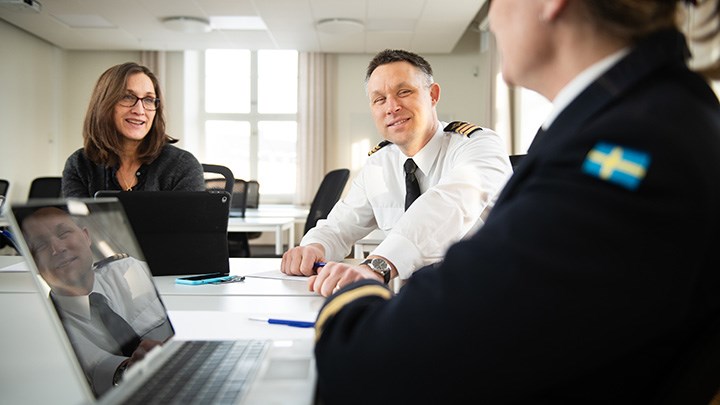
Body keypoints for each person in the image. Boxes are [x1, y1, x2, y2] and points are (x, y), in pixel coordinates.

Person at [312, 1, 720, 403]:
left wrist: (352, 301)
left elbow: (371, 366)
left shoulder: (629, 140)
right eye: (379, 99)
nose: (490, 19)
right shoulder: (630, 115)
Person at [281, 49, 513, 296]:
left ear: (433, 95)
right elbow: (340, 225)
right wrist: (314, 247)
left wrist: (378, 265)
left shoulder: (479, 145)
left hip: (487, 297)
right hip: (414, 303)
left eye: (404, 92)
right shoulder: (379, 164)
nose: (391, 107)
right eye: (379, 99)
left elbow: (449, 204)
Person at [20, 207, 172, 396]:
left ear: (86, 236)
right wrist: (129, 369)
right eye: (41, 245)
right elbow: (100, 370)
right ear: (33, 263)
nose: (57, 249)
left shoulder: (128, 270)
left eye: (64, 233)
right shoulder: (47, 329)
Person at [62, 62, 205, 197]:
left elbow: (188, 223)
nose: (139, 110)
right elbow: (77, 222)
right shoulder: (79, 165)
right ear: (103, 105)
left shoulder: (182, 165)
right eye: (127, 97)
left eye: (148, 99)